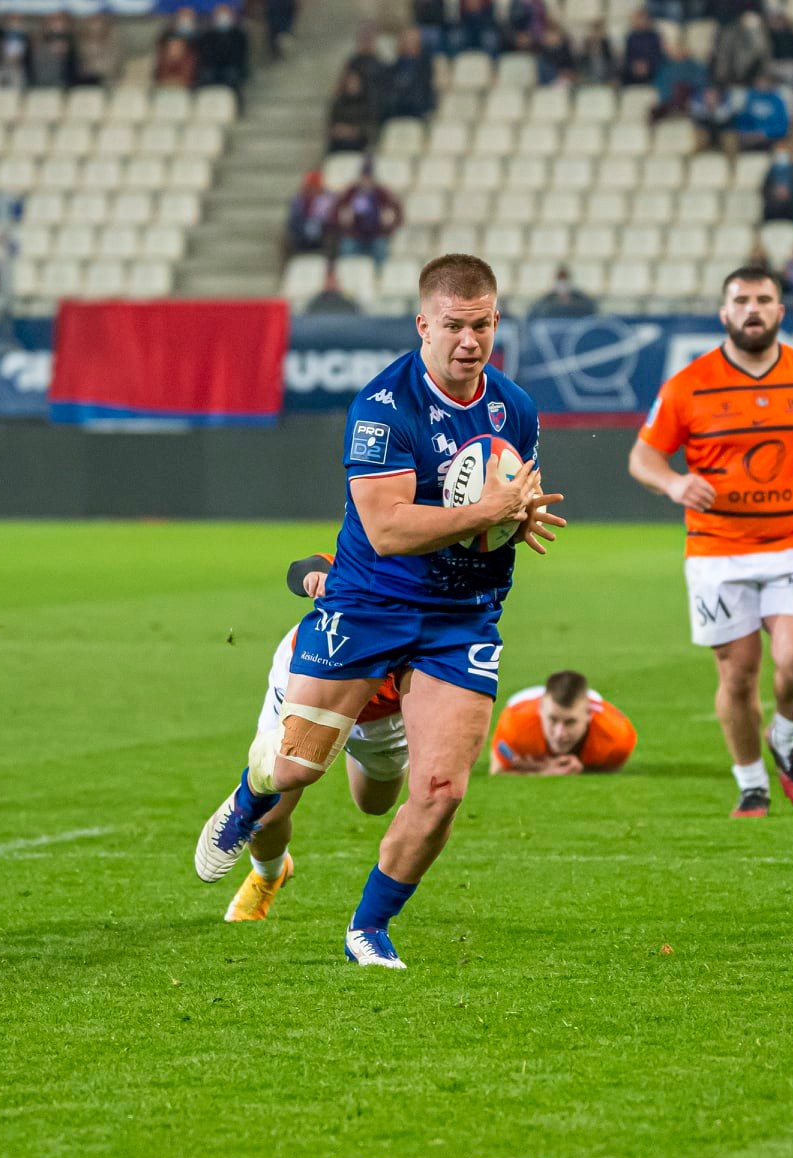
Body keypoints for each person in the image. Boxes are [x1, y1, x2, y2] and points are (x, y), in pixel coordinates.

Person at [193, 254, 567, 969]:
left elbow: (503, 494)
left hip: (462, 614)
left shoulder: (514, 406)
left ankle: (369, 928)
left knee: (441, 791)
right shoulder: (382, 405)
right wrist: (488, 510)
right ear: (423, 323)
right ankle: (248, 801)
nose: (469, 340)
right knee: (295, 772)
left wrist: (517, 517)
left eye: (483, 324)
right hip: (370, 604)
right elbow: (389, 531)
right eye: (454, 325)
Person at [627, 264, 793, 818]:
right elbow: (642, 456)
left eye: (764, 299)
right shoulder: (688, 384)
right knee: (738, 674)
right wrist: (673, 482)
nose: (752, 309)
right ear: (725, 313)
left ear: (780, 311)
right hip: (716, 551)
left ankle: (785, 740)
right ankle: (751, 782)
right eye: (741, 300)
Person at [222, 552, 410, 923]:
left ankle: (349, 749)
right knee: (269, 809)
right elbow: (304, 567)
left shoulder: (441, 585)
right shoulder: (378, 546)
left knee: (374, 804)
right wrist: (316, 575)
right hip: (308, 676)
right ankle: (268, 875)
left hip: (379, 714)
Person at [490, 670, 637, 775]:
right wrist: (542, 772)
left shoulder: (616, 736)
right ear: (540, 711)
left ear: (588, 715)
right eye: (552, 720)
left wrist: (582, 770)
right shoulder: (515, 725)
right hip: (524, 701)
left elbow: (609, 770)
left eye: (570, 722)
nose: (559, 733)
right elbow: (497, 772)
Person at [331, 160, 401, 264]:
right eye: (364, 177)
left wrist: (390, 221)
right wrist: (342, 220)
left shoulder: (382, 193)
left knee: (381, 248)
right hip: (354, 236)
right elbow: (335, 212)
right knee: (347, 248)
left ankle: (379, 277)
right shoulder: (350, 193)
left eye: (368, 177)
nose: (366, 181)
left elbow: (397, 212)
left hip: (376, 235)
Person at [194, 5, 249, 98]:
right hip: (212, 66)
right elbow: (205, 54)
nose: (223, 18)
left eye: (225, 15)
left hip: (232, 66)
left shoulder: (239, 35)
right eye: (220, 15)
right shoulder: (208, 35)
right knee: (206, 75)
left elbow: (240, 56)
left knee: (232, 75)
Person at [527, 266, 598, 317]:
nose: (562, 283)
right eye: (560, 279)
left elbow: (591, 310)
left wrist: (571, 303)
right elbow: (536, 312)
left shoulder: (580, 298)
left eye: (565, 279)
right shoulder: (547, 299)